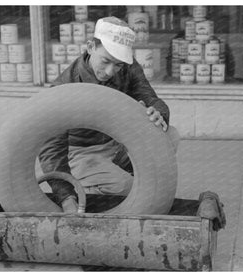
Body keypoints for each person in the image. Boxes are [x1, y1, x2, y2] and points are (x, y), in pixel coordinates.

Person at [39, 16, 180, 212]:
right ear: (90, 47)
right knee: (128, 187)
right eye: (105, 61)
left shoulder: (128, 67)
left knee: (169, 136)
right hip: (82, 153)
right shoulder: (65, 87)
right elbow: (51, 148)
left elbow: (150, 98)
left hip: (116, 143)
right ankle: (89, 185)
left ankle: (117, 178)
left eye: (118, 65)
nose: (110, 71)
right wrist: (66, 196)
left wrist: (159, 113)